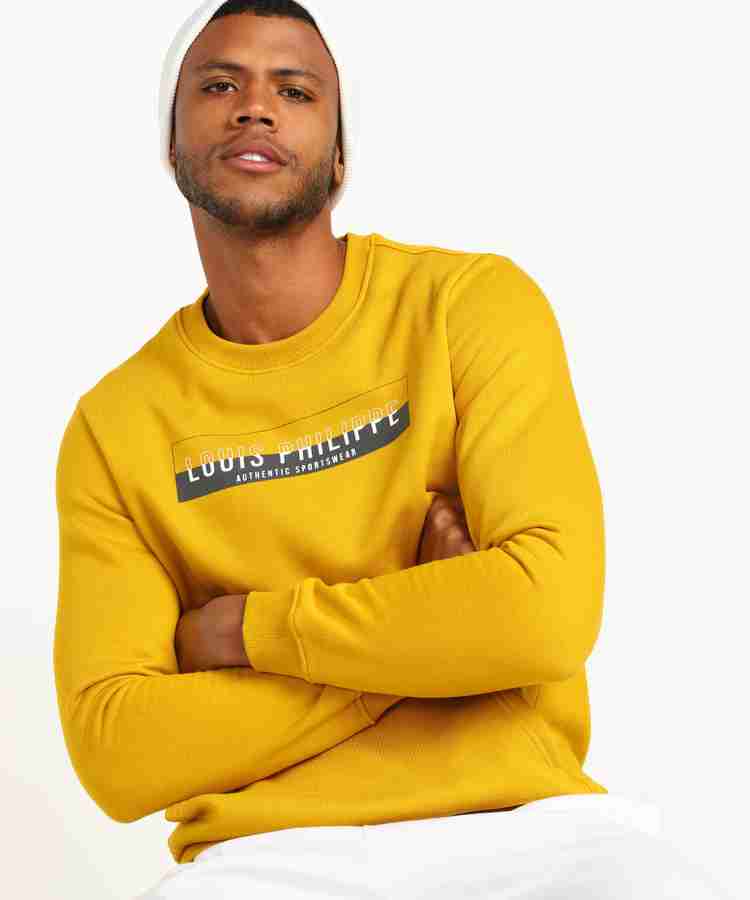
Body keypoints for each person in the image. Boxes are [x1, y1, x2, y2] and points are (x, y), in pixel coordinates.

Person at [53, 1, 735, 897]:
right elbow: (119, 752)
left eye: (295, 90)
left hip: (527, 830)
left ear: (340, 155)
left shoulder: (468, 307)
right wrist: (427, 646)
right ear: (170, 144)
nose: (255, 106)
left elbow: (545, 614)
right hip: (264, 859)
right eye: (218, 85)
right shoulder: (116, 424)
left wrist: (250, 633)